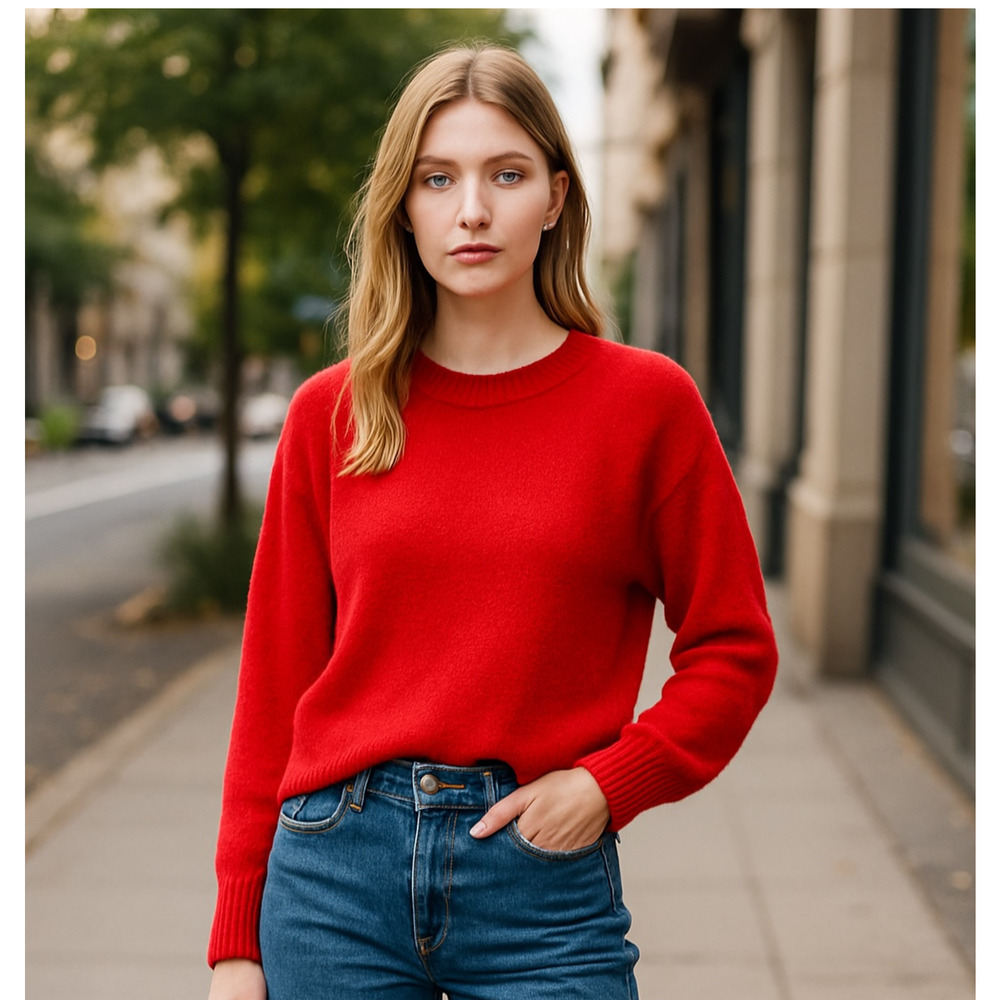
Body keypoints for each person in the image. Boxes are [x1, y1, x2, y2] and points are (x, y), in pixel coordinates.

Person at [207, 44, 778, 1000]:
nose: (472, 210)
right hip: (332, 880)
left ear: (556, 196)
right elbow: (273, 686)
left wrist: (610, 783)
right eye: (439, 179)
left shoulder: (645, 407)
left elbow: (734, 649)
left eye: (505, 174)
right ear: (406, 205)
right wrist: (236, 941)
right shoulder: (332, 414)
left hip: (540, 887)